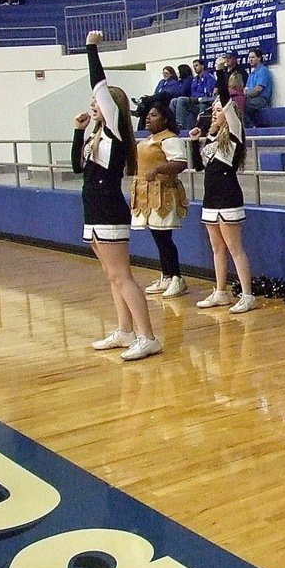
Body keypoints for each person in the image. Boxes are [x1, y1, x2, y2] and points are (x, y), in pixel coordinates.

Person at [71, 30, 162, 362]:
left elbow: (98, 85)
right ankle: (125, 330)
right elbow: (77, 168)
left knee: (122, 276)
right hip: (93, 208)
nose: (94, 104)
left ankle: (147, 336)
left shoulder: (114, 132)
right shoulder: (97, 136)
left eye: (100, 102)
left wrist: (91, 48)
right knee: (112, 276)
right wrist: (78, 130)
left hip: (109, 209)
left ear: (112, 109)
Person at [188, 81, 257, 315]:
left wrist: (219, 75)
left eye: (219, 110)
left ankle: (247, 295)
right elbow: (198, 167)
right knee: (217, 249)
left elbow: (227, 103)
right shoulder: (212, 137)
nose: (215, 113)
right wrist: (194, 142)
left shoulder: (235, 135)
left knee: (234, 248)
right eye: (213, 110)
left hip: (228, 198)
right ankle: (220, 291)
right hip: (211, 200)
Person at [133, 102, 190, 299]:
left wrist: (158, 169)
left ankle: (177, 278)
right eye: (148, 115)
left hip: (163, 194)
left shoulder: (170, 139)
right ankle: (166, 276)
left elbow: (180, 163)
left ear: (165, 119)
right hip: (147, 195)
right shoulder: (149, 139)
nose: (148, 118)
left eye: (154, 115)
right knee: (158, 238)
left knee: (165, 239)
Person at [135, 66, 187, 131]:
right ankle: (140, 124)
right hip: (157, 100)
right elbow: (156, 92)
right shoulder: (161, 82)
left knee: (158, 96)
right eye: (163, 73)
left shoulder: (174, 82)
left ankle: (142, 101)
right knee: (146, 107)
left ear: (171, 74)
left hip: (166, 100)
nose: (164, 75)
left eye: (166, 73)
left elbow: (169, 93)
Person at [174, 58, 217, 131]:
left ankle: (200, 128)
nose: (194, 68)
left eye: (196, 65)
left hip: (205, 102)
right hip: (195, 100)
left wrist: (198, 96)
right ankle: (179, 125)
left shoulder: (209, 77)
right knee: (179, 100)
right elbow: (193, 92)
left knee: (203, 105)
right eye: (193, 66)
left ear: (202, 66)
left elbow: (208, 93)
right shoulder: (195, 79)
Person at [242, 48, 273, 128]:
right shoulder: (252, 74)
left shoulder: (263, 71)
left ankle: (252, 127)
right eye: (249, 58)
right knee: (239, 103)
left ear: (259, 58)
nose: (250, 60)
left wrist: (247, 93)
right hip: (252, 100)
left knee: (243, 104)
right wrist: (247, 92)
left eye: (253, 57)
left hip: (261, 100)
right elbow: (245, 89)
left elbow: (257, 90)